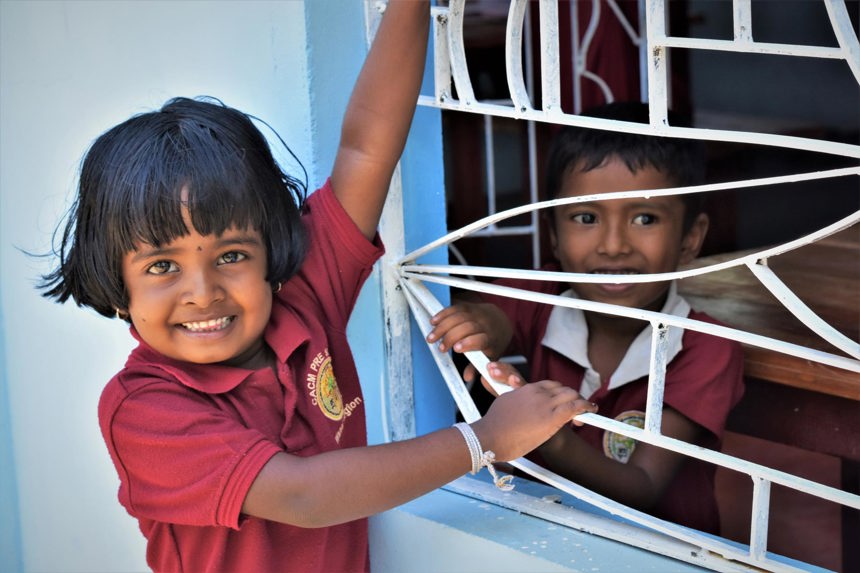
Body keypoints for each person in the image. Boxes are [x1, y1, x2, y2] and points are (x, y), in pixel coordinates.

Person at [38, 3, 597, 572]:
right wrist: (484, 440)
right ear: (114, 279)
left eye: (231, 255)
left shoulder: (304, 300)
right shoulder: (143, 408)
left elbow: (367, 148)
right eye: (162, 266)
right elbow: (303, 495)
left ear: (271, 253)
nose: (202, 292)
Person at [427, 102, 745, 534]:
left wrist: (545, 432)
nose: (613, 245)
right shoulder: (545, 296)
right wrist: (476, 326)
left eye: (645, 218)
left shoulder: (703, 346)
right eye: (586, 217)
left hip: (663, 553)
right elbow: (497, 316)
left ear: (691, 238)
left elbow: (643, 487)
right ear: (554, 235)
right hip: (545, 538)